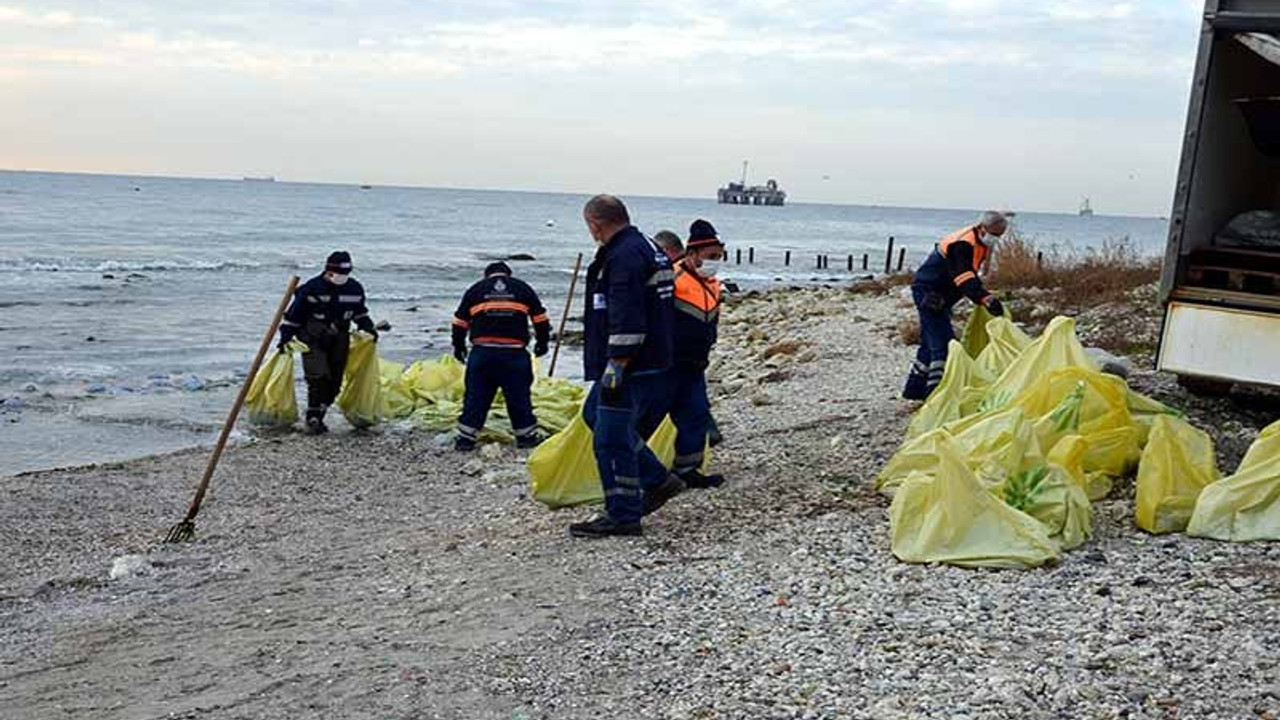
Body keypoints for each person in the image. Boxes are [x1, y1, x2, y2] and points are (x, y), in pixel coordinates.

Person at [570, 194, 682, 539]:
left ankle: (622, 514)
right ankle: (659, 481)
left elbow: (627, 313)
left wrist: (617, 364)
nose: (591, 233)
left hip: (631, 361)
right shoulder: (645, 246)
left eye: (589, 226)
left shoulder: (623, 256)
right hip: (651, 356)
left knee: (610, 438)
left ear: (596, 223)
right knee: (594, 417)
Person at [903, 211, 1008, 401]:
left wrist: (982, 293)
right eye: (995, 234)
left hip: (943, 294)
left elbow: (973, 273)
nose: (996, 239)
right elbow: (963, 277)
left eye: (999, 236)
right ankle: (937, 395)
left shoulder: (980, 242)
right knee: (944, 343)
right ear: (983, 228)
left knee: (930, 341)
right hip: (930, 292)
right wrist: (985, 298)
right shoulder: (963, 244)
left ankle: (914, 390)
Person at [451, 262, 552, 451]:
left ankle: (466, 438)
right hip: (514, 355)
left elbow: (459, 321)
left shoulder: (476, 289)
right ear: (509, 275)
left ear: (485, 275)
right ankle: (526, 437)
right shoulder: (522, 288)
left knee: (476, 396)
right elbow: (540, 319)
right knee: (519, 396)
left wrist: (458, 346)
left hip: (482, 354)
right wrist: (542, 343)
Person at [278, 251, 378, 434]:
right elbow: (294, 317)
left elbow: (359, 312)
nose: (341, 277)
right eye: (338, 273)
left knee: (334, 381)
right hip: (313, 338)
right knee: (318, 377)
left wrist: (369, 328)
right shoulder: (311, 289)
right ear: (328, 271)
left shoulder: (354, 289)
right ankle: (313, 418)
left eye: (345, 274)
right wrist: (285, 337)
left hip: (340, 338)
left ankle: (320, 413)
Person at [663, 218, 727, 488]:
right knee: (646, 419)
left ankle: (687, 469)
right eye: (710, 257)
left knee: (696, 417)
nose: (715, 262)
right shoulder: (672, 279)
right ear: (691, 254)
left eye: (719, 257)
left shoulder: (712, 283)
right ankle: (639, 473)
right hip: (667, 364)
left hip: (695, 364)